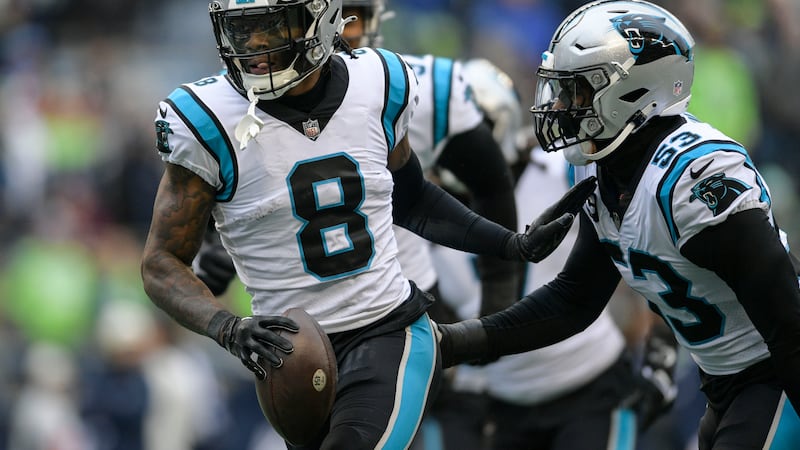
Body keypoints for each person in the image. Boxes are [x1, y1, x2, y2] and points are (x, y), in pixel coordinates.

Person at [140, 1, 596, 449]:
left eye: (273, 27)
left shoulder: (377, 81)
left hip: (389, 328)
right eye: (243, 29)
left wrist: (508, 245)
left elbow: (413, 199)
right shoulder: (203, 118)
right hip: (288, 355)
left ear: (319, 19)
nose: (255, 45)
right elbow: (161, 263)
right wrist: (228, 328)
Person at [436, 1, 800, 449]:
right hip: (726, 381)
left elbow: (788, 318)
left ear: (635, 91)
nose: (564, 105)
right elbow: (575, 298)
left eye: (579, 91)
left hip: (775, 370)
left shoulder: (695, 176)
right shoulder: (602, 167)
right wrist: (454, 343)